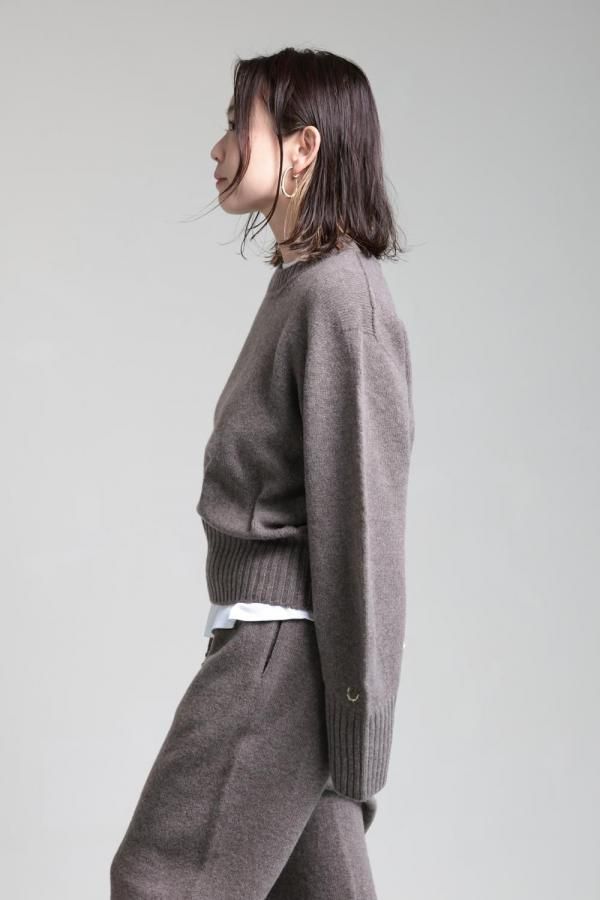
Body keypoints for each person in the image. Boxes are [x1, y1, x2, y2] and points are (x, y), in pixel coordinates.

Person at [110, 46, 415, 900]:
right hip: (279, 653)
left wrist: (357, 731)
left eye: (234, 126)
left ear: (302, 148)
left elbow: (366, 527)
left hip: (284, 655)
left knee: (156, 883)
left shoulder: (340, 299)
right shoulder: (303, 288)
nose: (217, 149)